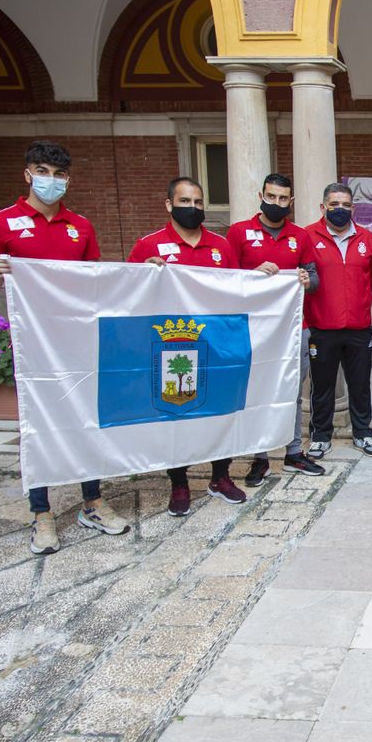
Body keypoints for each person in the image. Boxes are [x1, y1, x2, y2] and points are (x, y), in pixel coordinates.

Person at [0, 140, 132, 554]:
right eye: (43, 171)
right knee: (38, 424)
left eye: (60, 174)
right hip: (33, 343)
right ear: (28, 173)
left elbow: (96, 279)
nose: (52, 180)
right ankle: (41, 513)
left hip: (78, 338)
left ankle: (93, 501)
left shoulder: (80, 226)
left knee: (87, 419)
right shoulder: (1, 223)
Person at [128, 177, 248, 515]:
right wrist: (143, 274)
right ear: (168, 205)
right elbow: (128, 295)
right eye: (184, 201)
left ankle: (220, 476)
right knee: (177, 411)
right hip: (173, 346)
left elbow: (237, 290)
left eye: (198, 202)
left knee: (219, 409)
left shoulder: (220, 246)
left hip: (215, 345)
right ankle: (179, 482)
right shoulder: (148, 246)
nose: (192, 208)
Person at [228, 173, 325, 480]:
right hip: (254, 329)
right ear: (261, 195)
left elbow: (315, 278)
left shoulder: (301, 235)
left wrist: (308, 281)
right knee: (260, 392)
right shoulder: (239, 233)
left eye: (283, 199)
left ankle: (294, 452)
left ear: (291, 201)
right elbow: (226, 282)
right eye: (272, 197)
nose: (277, 203)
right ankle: (261, 456)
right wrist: (254, 274)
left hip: (295, 327)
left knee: (293, 393)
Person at [303, 183, 372, 459]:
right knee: (322, 386)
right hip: (322, 327)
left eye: (346, 205)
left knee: (360, 384)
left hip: (359, 328)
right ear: (323, 207)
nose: (341, 210)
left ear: (353, 208)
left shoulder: (367, 239)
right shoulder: (307, 237)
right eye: (335, 204)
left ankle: (363, 434)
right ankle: (320, 436)